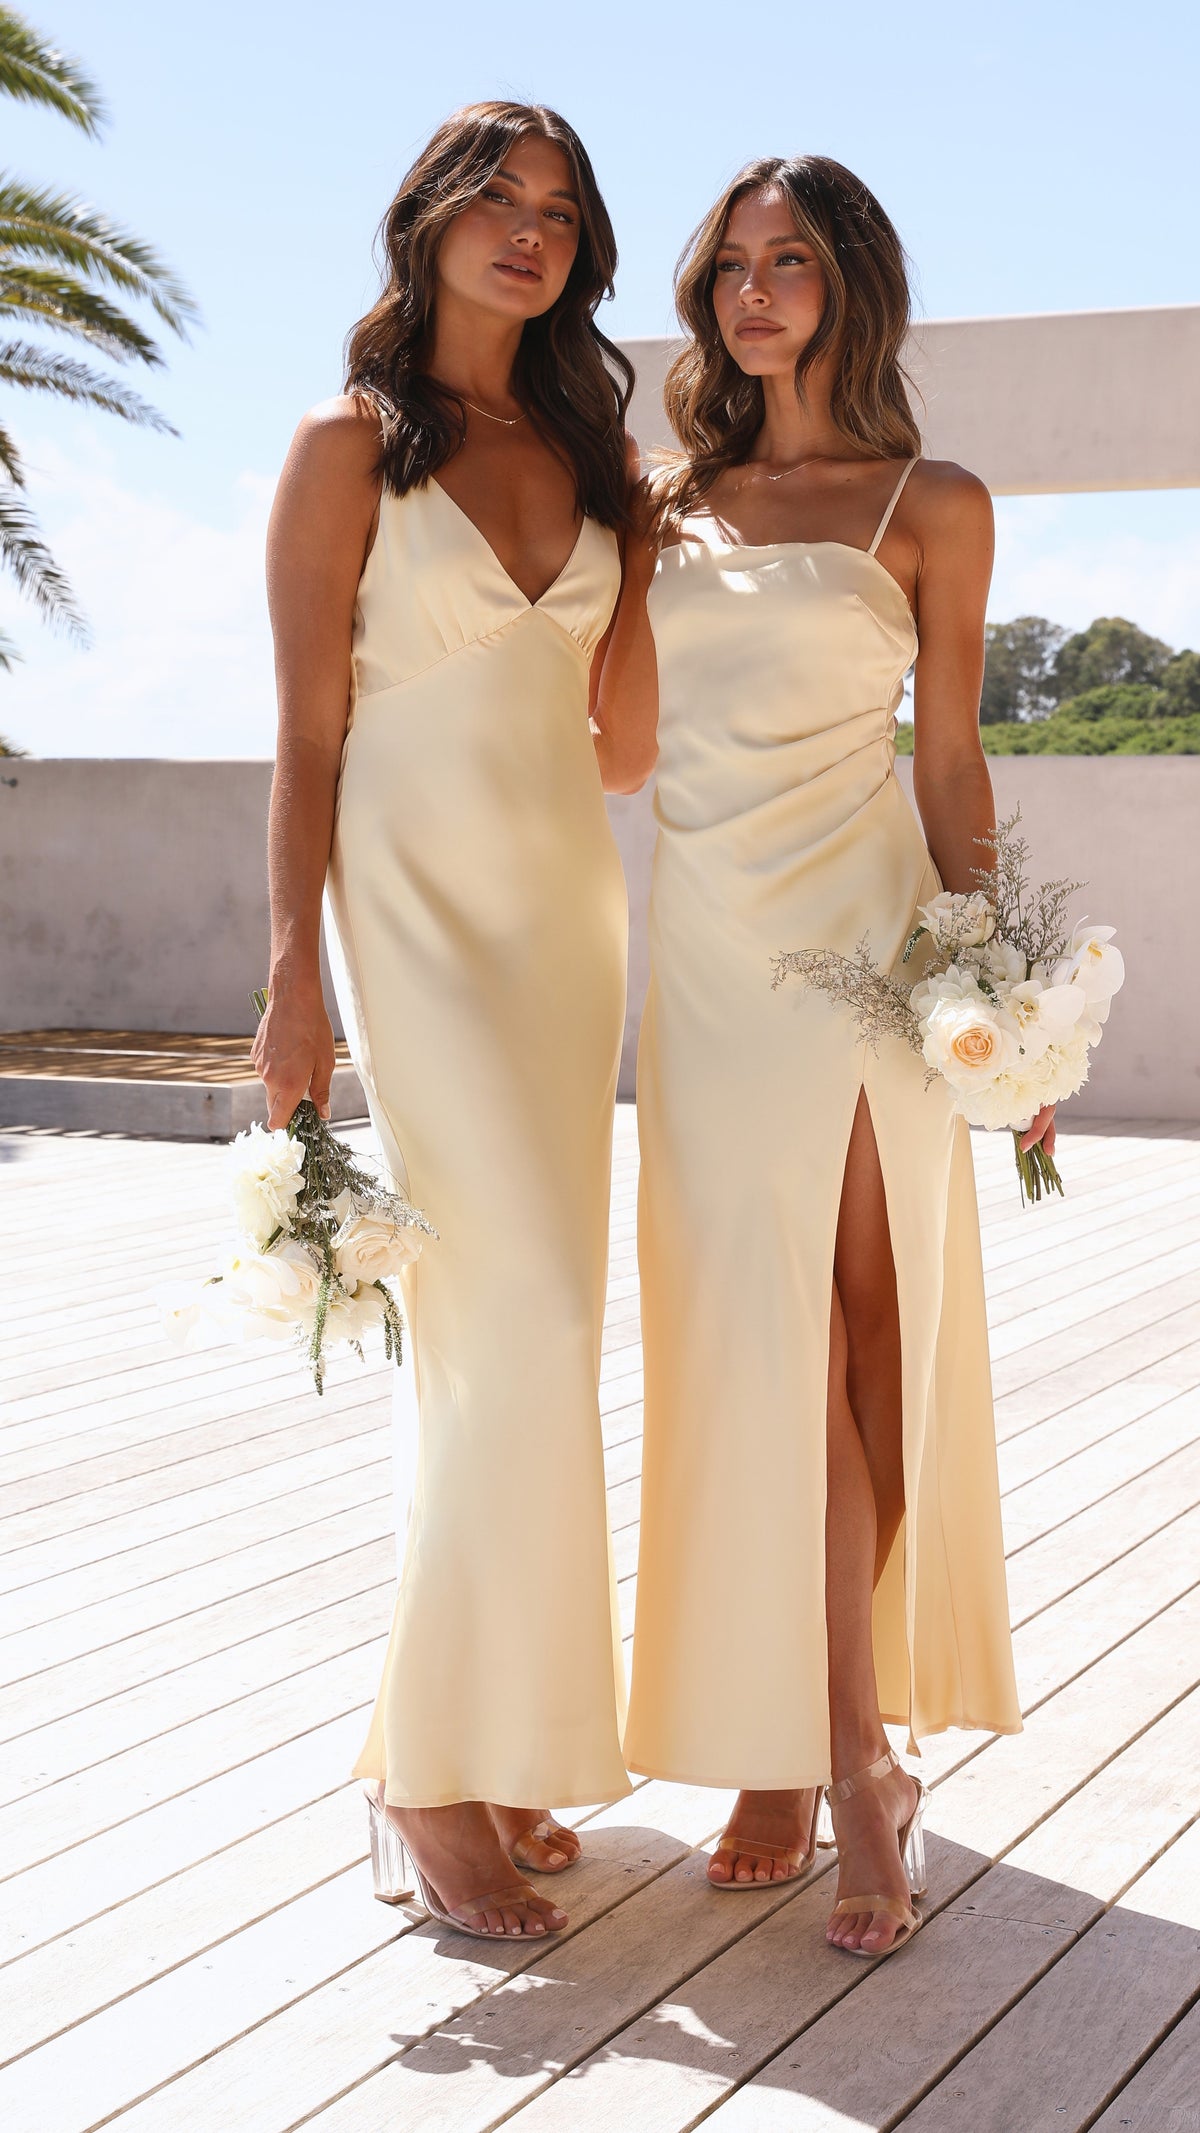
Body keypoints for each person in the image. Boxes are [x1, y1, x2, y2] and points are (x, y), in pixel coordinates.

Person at [593, 155, 1029, 1959]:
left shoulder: (932, 501)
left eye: (788, 262)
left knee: (866, 1336)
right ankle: (803, 1741)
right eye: (729, 269)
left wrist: (995, 994)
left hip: (868, 953)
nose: (752, 294)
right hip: (706, 958)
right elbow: (611, 744)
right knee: (745, 1343)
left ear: (849, 283)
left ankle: (846, 1759)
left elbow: (949, 763)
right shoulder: (658, 501)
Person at [255, 101, 635, 1941]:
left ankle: (494, 1736)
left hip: (570, 921)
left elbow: (623, 740)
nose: (533, 234)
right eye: (501, 201)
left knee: (532, 1335)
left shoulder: (585, 446)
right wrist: (287, 978)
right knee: (512, 1310)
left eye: (562, 213)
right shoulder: (348, 449)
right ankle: (424, 1763)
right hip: (412, 919)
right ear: (426, 221)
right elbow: (310, 735)